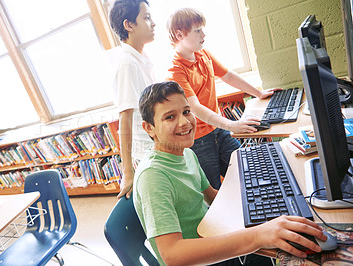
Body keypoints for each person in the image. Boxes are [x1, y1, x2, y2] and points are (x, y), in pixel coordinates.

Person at [133, 80, 326, 266]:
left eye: (186, 112)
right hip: (199, 259)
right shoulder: (153, 176)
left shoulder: (187, 154)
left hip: (211, 237)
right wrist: (258, 234)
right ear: (149, 128)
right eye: (170, 117)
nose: (185, 122)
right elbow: (173, 256)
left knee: (291, 233)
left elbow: (212, 198)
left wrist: (261, 200)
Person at [167, 8, 281, 189]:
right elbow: (195, 108)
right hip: (198, 139)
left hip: (218, 129)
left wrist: (258, 93)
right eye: (197, 30)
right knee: (213, 190)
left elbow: (228, 76)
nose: (203, 34)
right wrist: (231, 124)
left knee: (247, 169)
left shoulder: (203, 54)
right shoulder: (174, 71)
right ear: (179, 34)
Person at [109, 0, 156, 198]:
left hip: (156, 147)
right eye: (146, 17)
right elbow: (125, 120)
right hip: (147, 154)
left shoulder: (140, 59)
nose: (153, 23)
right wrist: (128, 173)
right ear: (129, 25)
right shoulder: (127, 63)